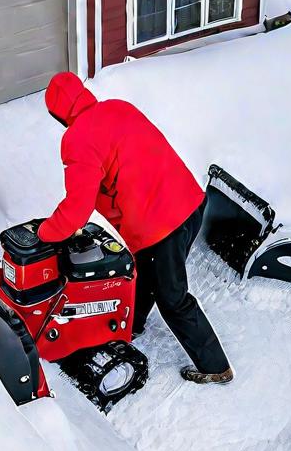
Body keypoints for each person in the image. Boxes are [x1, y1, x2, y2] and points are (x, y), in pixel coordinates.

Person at [37, 72, 232, 385]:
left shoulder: (78, 138)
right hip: (190, 203)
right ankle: (133, 324)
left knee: (173, 297)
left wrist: (44, 235)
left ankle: (215, 366)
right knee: (144, 269)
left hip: (163, 224)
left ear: (58, 113)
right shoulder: (117, 108)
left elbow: (77, 208)